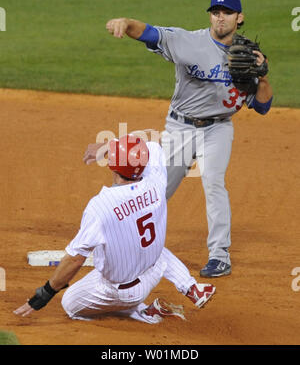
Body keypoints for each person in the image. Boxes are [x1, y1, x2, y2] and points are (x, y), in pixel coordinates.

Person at [85, 0, 273, 278]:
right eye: (215, 12)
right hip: (180, 127)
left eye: (226, 12)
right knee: (156, 189)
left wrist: (263, 76)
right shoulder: (189, 41)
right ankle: (112, 239)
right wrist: (125, 22)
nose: (220, 17)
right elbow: (150, 33)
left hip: (218, 129)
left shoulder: (247, 56)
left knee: (214, 183)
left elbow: (262, 106)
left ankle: (219, 255)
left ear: (240, 17)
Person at [14, 133, 215, 324]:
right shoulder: (156, 177)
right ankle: (191, 287)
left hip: (122, 292)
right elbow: (148, 146)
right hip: (153, 270)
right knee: (152, 244)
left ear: (112, 166)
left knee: (69, 303)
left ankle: (144, 311)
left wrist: (45, 293)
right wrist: (109, 148)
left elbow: (75, 259)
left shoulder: (101, 206)